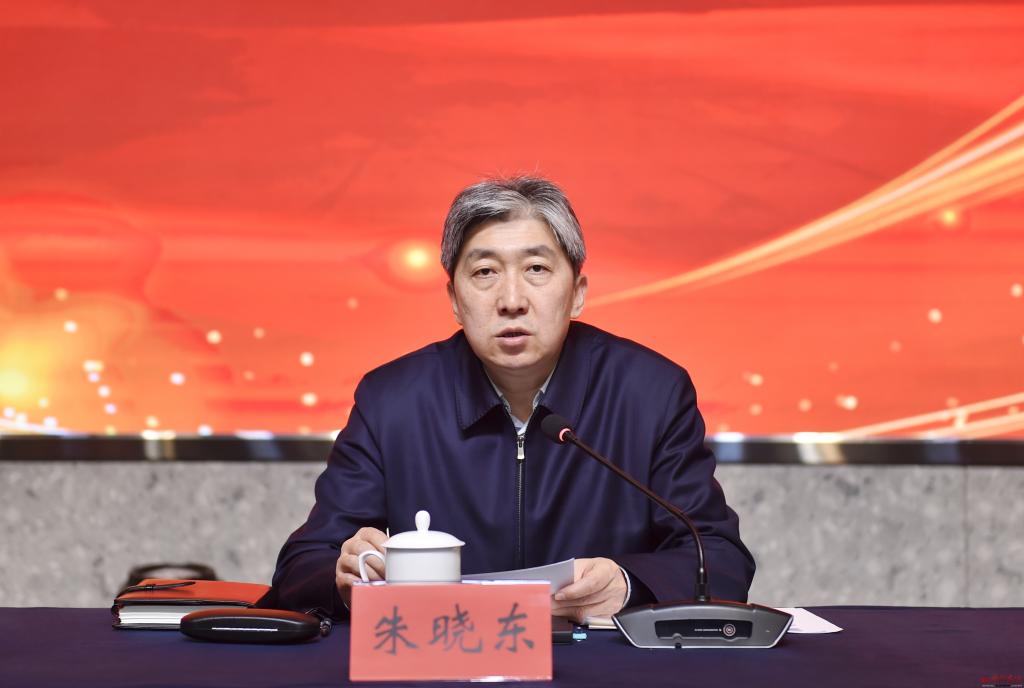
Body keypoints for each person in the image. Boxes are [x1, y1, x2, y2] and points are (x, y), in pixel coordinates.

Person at [265, 176, 755, 622]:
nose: (512, 300)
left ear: (577, 293)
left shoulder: (650, 393)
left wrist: (628, 585)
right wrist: (343, 573)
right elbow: (302, 565)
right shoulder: (392, 401)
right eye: (485, 272)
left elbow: (717, 555)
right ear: (454, 300)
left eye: (537, 268)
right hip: (440, 663)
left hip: (599, 666)